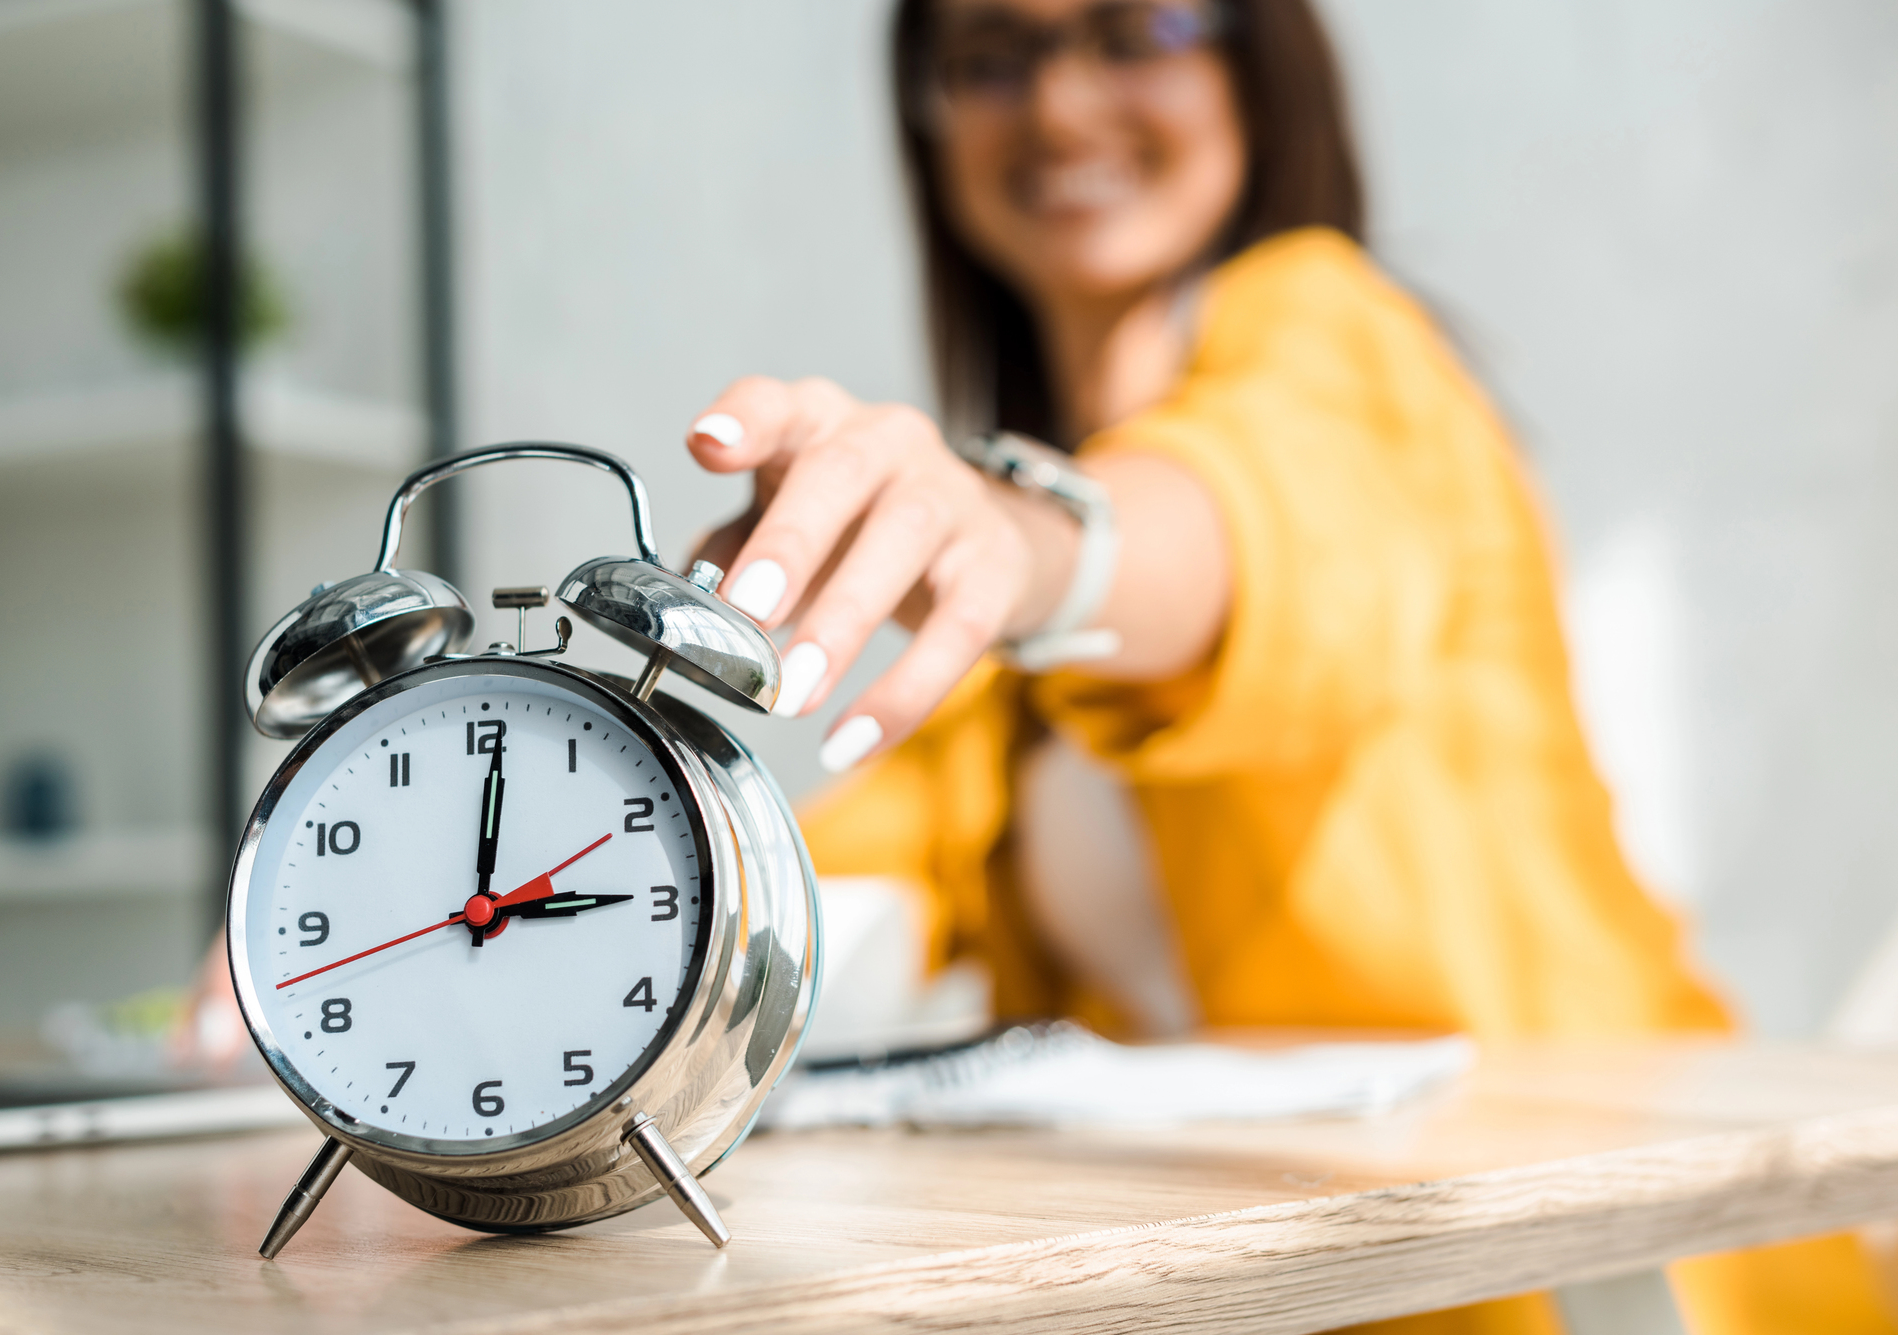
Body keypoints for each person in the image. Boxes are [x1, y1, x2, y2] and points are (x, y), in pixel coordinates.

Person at [676, 1, 1898, 1331]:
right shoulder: (1003, 664)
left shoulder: (1335, 338)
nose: (1061, 107)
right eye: (991, 57)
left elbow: (1251, 529)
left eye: (1140, 29)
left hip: (1623, 1282)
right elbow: (804, 884)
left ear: (1266, 62)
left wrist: (1025, 547)